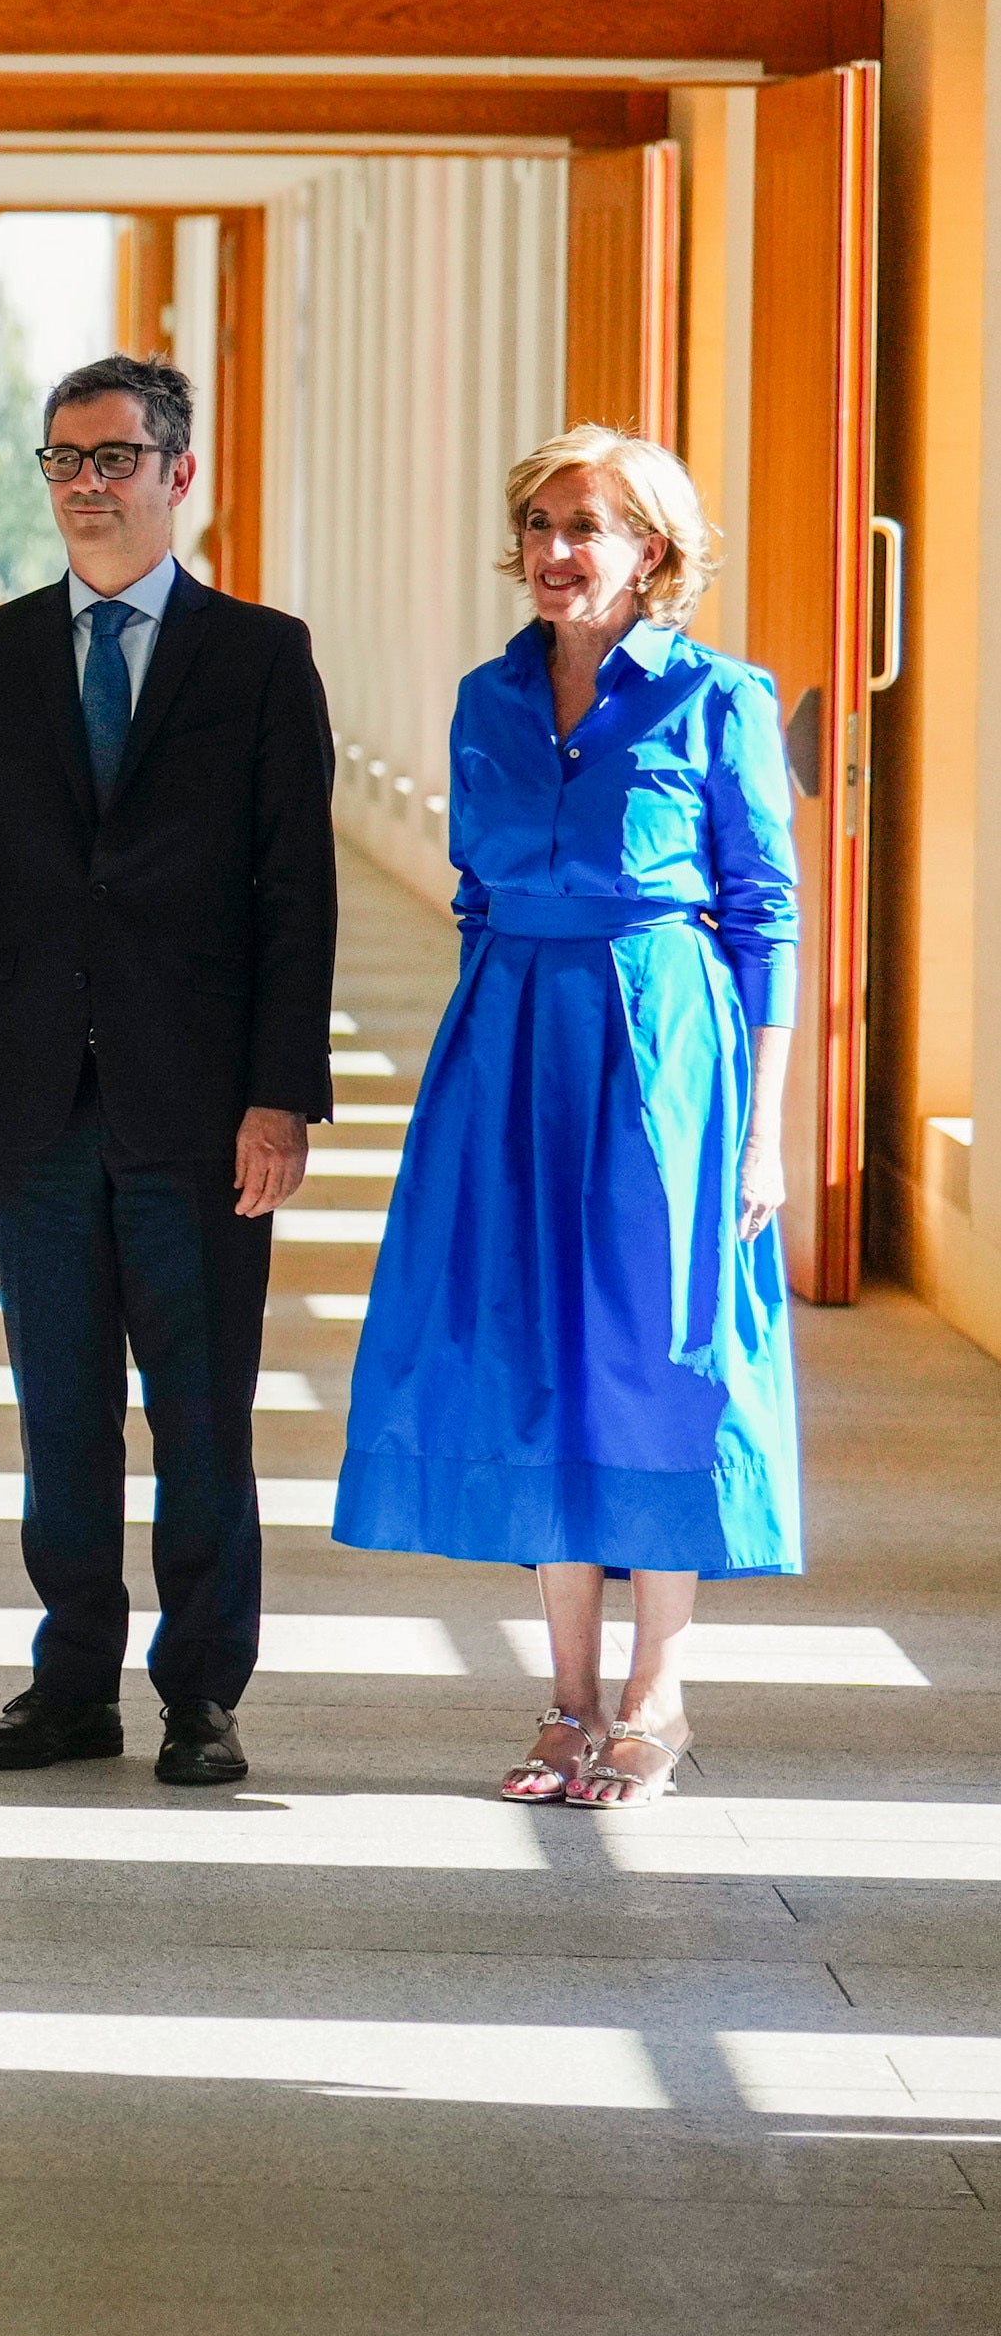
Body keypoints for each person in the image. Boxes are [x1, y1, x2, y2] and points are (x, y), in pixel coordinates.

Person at [336, 426, 803, 1811]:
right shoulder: (486, 699)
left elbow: (767, 920)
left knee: (654, 1354)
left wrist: (764, 1132)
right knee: (528, 1350)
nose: (553, 550)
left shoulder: (719, 698)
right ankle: (567, 1696)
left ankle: (659, 1693)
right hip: (506, 1037)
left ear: (651, 550)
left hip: (664, 1047)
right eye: (538, 521)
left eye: (585, 525)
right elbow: (475, 892)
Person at [0, 356, 334, 1788]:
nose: (88, 484)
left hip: (201, 1111)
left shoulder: (262, 657)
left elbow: (294, 896)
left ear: (177, 476)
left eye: (116, 458)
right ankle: (70, 1680)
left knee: (200, 1410)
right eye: (64, 460)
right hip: (28, 1104)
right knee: (59, 1409)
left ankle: (200, 1693)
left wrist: (282, 1096)